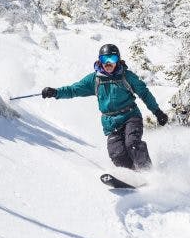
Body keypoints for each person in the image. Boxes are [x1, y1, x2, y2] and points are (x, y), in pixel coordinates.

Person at [42, 43, 168, 171]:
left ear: (118, 60)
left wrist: (157, 112)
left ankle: (148, 172)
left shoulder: (127, 76)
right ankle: (134, 174)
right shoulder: (95, 80)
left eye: (112, 60)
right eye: (104, 60)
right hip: (111, 123)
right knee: (117, 154)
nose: (108, 64)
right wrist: (56, 92)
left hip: (130, 116)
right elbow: (74, 90)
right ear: (99, 60)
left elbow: (144, 93)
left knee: (132, 144)